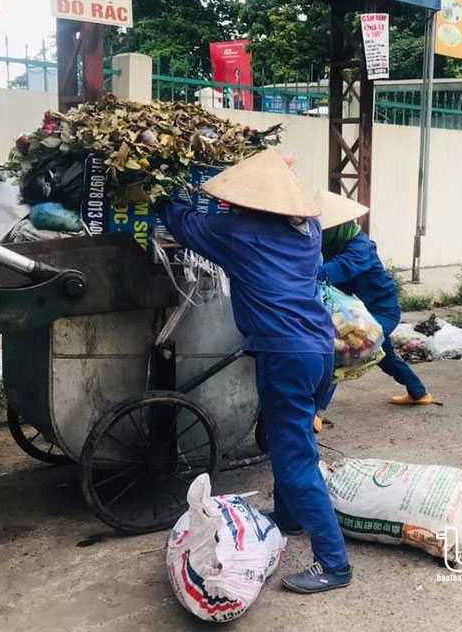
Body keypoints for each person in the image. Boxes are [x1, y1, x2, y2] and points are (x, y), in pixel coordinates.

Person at [153, 150, 352, 594]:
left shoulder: (239, 234)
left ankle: (334, 564)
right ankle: (288, 519)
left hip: (286, 355)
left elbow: (183, 224)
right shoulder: (309, 232)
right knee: (293, 440)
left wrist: (159, 197)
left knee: (296, 460)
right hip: (320, 350)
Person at [318, 190, 432, 407]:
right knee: (383, 355)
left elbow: (341, 267)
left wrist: (310, 274)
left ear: (337, 227)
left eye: (324, 230)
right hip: (356, 313)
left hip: (381, 311)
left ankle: (316, 412)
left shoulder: (360, 246)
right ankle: (419, 392)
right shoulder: (333, 244)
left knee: (344, 351)